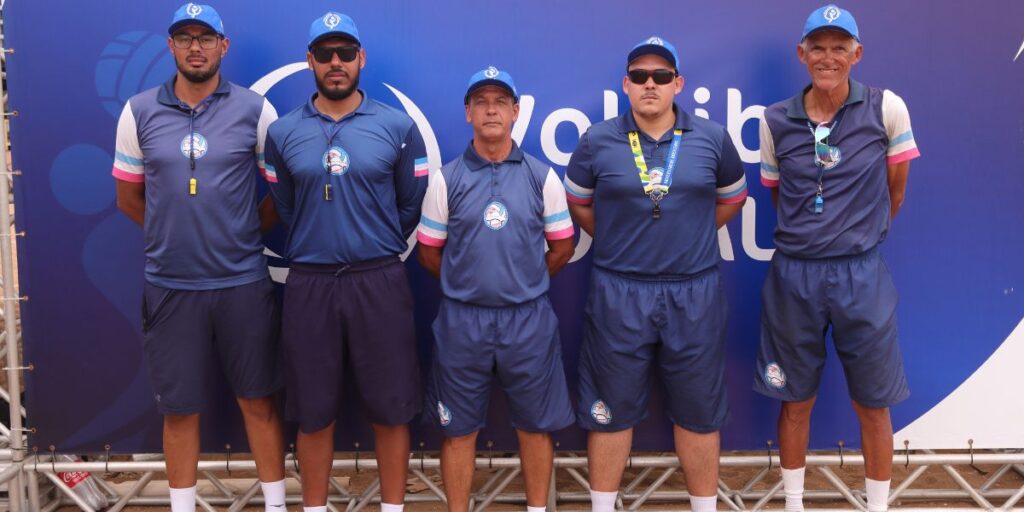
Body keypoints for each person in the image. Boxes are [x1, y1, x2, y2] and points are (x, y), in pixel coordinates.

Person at [112, 3, 285, 511]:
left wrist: (240, 233)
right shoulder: (138, 110)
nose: (195, 47)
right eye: (185, 38)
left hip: (242, 282)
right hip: (171, 285)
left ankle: (277, 505)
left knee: (258, 402)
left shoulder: (256, 110)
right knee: (179, 411)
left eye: (205, 38)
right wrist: (173, 237)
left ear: (222, 47)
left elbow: (280, 195)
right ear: (170, 45)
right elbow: (128, 198)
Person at [564, 36, 748, 512]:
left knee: (699, 412)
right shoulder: (597, 140)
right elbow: (578, 203)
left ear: (677, 84)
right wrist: (615, 239)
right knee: (609, 410)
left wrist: (694, 233)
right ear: (626, 84)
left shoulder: (712, 137)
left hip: (694, 290)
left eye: (661, 76)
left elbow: (733, 197)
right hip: (619, 290)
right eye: (640, 76)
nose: (651, 83)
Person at [753, 5, 920, 512]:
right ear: (801, 54)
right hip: (795, 276)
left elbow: (895, 193)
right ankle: (794, 503)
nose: (829, 57)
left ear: (857, 54)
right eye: (818, 48)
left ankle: (877, 506)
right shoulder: (775, 120)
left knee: (873, 403)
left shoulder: (887, 108)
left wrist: (853, 236)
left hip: (861, 274)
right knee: (795, 401)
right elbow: (780, 195)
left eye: (840, 47)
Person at [262, 11, 428, 512]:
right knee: (313, 412)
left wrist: (368, 241)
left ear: (361, 58)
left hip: (378, 278)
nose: (336, 62)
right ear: (310, 60)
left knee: (392, 409)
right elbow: (286, 207)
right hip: (310, 283)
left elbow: (409, 205)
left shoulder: (396, 126)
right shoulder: (284, 132)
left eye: (346, 52)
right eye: (325, 53)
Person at [417, 66, 575, 512]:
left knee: (536, 428)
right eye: (481, 102)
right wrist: (467, 285)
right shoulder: (447, 178)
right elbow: (428, 253)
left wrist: (523, 283)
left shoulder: (542, 176)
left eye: (500, 102)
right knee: (457, 430)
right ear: (468, 112)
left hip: (528, 318)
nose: (491, 110)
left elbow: (562, 247)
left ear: (515, 112)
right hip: (462, 321)